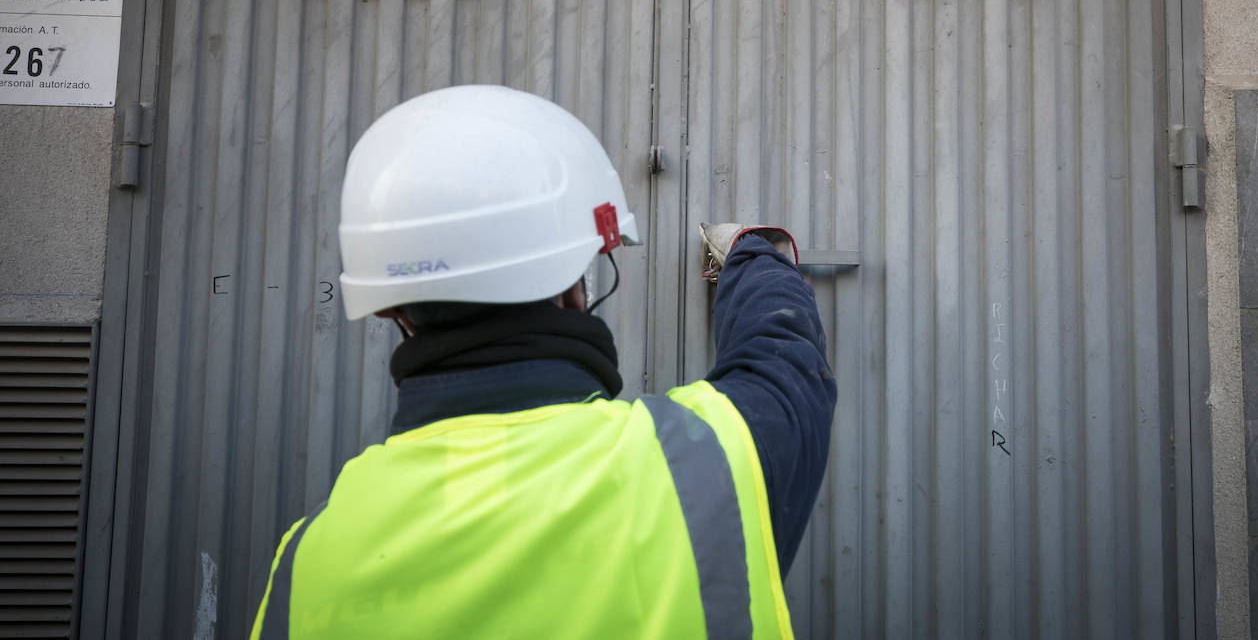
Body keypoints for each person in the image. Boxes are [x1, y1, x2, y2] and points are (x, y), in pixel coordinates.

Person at [250, 85, 836, 639]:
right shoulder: (708, 465)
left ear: (389, 310)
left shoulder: (305, 566)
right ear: (572, 289)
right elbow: (783, 361)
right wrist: (749, 253)